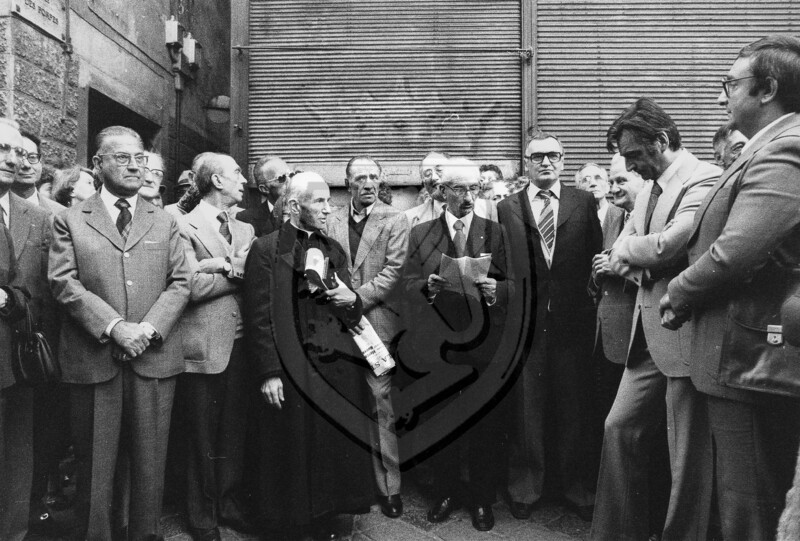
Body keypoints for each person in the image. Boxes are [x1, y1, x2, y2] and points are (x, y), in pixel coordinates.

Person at [660, 35, 800, 540]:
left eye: (730, 83)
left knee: (748, 507)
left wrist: (679, 291)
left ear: (768, 89)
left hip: (747, 359)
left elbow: (736, 252)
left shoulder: (785, 148)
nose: (721, 96)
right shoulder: (769, 146)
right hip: (741, 354)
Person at [48, 125, 191, 540]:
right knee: (95, 467)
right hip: (94, 358)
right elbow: (63, 281)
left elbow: (181, 282)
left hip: (153, 357)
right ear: (98, 164)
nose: (134, 166)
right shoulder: (70, 219)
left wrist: (146, 330)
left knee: (150, 465)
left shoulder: (164, 220)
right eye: (122, 157)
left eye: (140, 158)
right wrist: (114, 327)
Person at [592, 98, 720, 541]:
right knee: (618, 427)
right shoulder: (649, 187)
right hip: (644, 337)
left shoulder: (705, 179)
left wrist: (630, 253)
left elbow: (671, 245)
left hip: (684, 333)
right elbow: (633, 250)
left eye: (633, 155)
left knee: (686, 455)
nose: (629, 166)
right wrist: (638, 255)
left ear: (661, 141)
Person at [243, 171, 373, 540]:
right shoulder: (266, 249)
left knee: (332, 443)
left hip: (334, 366)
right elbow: (258, 315)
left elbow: (350, 310)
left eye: (329, 201)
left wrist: (352, 300)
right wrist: (269, 372)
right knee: (292, 445)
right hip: (290, 366)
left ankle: (328, 516)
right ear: (294, 205)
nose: (328, 209)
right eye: (319, 201)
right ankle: (293, 523)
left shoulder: (333, 249)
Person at [498, 129, 602, 522]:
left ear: (563, 160)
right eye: (537, 156)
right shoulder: (507, 207)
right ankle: (526, 487)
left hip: (573, 322)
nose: (546, 162)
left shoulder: (583, 202)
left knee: (574, 407)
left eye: (553, 156)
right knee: (527, 408)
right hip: (526, 323)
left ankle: (576, 487)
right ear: (526, 163)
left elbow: (595, 257)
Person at [403, 157, 510, 531]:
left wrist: (497, 289)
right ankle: (446, 492)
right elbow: (406, 285)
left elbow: (516, 284)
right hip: (441, 345)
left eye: (474, 189)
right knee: (442, 419)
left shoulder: (495, 232)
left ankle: (481, 498)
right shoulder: (421, 233)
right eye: (460, 189)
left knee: (484, 422)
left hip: (484, 342)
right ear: (441, 191)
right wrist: (427, 288)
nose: (468, 197)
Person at [176, 152, 255, 541]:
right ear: (217, 181)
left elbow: (255, 276)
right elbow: (190, 286)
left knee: (234, 432)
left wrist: (220, 267)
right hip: (202, 347)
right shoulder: (180, 224)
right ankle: (201, 514)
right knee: (201, 435)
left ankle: (228, 503)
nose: (245, 180)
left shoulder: (246, 229)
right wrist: (235, 268)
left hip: (241, 345)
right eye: (237, 173)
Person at [326, 156, 408, 519]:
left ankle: (390, 487)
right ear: (348, 183)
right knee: (340, 401)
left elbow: (394, 271)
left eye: (374, 177)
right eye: (360, 178)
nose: (368, 183)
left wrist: (355, 298)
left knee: (379, 403)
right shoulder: (330, 219)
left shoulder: (395, 218)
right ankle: (346, 486)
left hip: (376, 324)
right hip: (335, 324)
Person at [587, 154, 645, 441]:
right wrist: (598, 275)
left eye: (621, 180)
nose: (612, 189)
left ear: (643, 178)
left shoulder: (654, 218)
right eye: (611, 182)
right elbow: (597, 277)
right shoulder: (613, 215)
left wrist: (618, 270)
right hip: (604, 336)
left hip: (636, 341)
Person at [0, 117, 36, 541]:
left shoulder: (11, 222)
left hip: (14, 367)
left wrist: (6, 298)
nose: (13, 159)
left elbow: (23, 289)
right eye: (3, 149)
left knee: (13, 464)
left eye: (18, 151)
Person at [406, 152, 497, 227]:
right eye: (427, 174)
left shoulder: (488, 209)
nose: (433, 177)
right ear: (423, 181)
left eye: (439, 170)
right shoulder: (409, 218)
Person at [237, 156, 292, 237]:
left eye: (291, 175)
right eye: (282, 178)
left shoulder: (306, 210)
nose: (290, 181)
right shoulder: (246, 219)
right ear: (264, 189)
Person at [12, 131, 65, 215]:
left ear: (41, 161)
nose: (27, 165)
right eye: (19, 157)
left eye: (32, 157)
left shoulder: (61, 214)